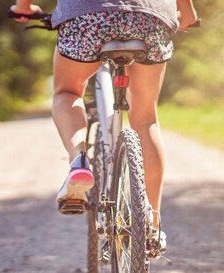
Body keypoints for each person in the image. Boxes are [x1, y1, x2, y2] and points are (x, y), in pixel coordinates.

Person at [11, 0, 198, 249]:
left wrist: (23, 8)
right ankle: (152, 226)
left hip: (86, 18)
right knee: (145, 118)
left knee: (67, 92)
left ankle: (78, 162)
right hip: (149, 18)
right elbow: (186, 14)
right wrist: (187, 14)